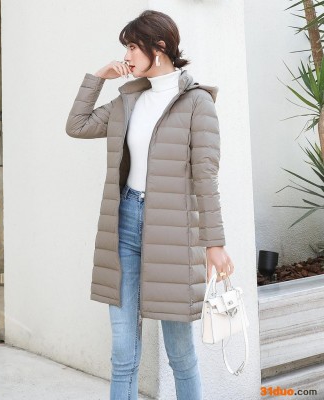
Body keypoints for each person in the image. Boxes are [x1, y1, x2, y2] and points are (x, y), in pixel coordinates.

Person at [66, 9, 235, 400]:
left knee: (180, 353)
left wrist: (214, 243)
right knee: (123, 353)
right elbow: (77, 125)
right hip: (125, 221)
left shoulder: (197, 103)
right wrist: (99, 77)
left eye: (131, 46)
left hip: (174, 232)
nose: (126, 55)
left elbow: (205, 178)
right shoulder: (129, 100)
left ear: (158, 47)